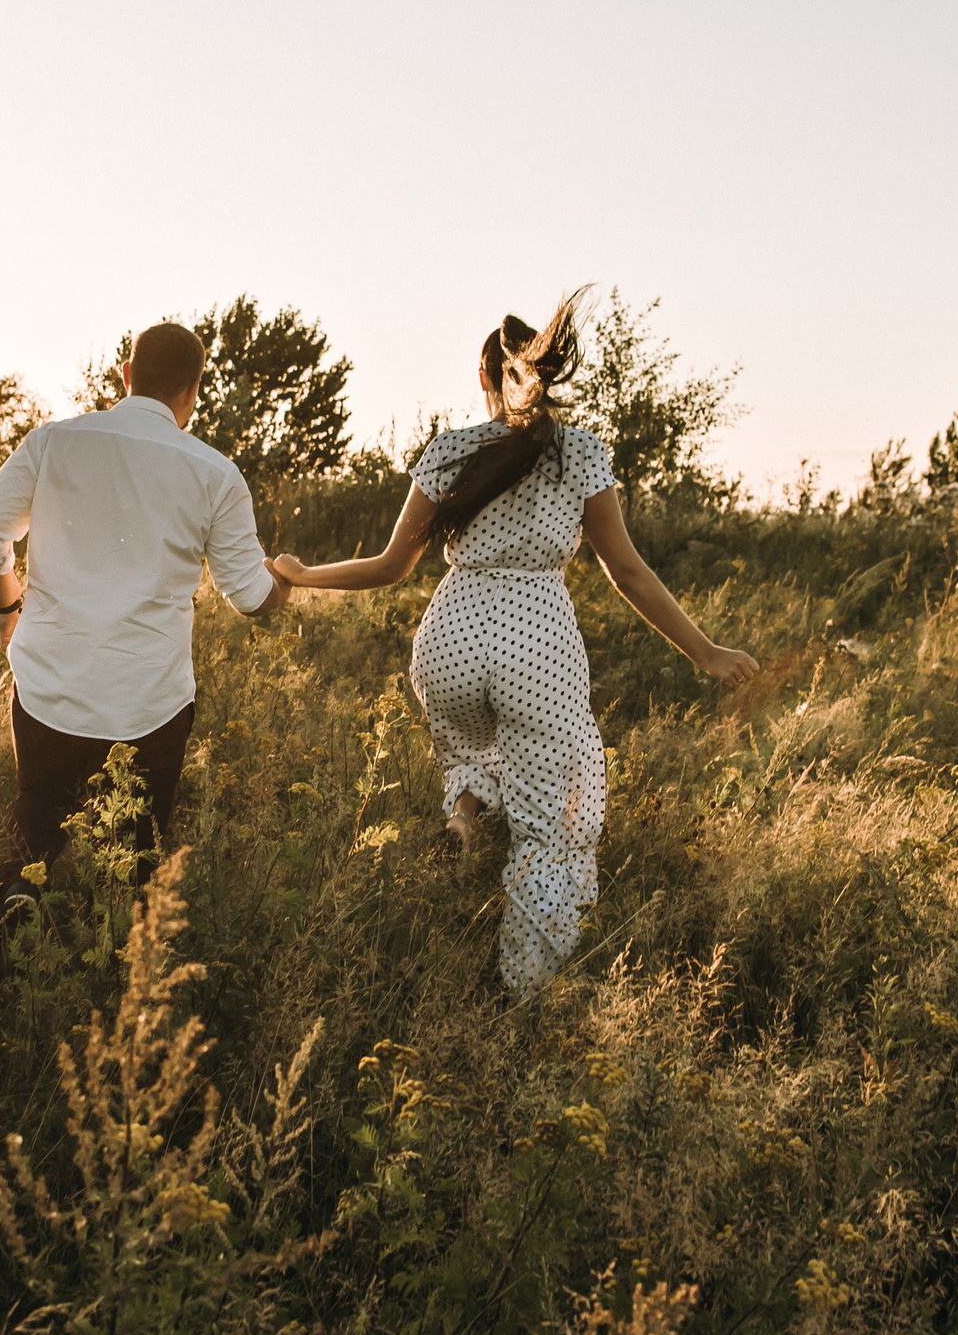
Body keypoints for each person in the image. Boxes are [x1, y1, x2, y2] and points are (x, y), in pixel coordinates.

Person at [269, 290, 758, 993]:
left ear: (484, 381)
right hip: (536, 636)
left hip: (453, 632)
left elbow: (387, 566)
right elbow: (626, 571)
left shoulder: (450, 449)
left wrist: (301, 573)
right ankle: (528, 991)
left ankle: (463, 815)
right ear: (544, 377)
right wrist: (704, 650)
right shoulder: (580, 452)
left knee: (470, 744)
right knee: (553, 820)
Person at [0, 320, 290, 914]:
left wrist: (11, 605)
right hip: (149, 702)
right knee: (140, 858)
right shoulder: (216, 474)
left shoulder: (52, 442)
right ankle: (131, 963)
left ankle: (16, 909)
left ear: (126, 376)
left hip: (49, 687)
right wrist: (283, 583)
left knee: (35, 827)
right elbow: (249, 596)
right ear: (193, 391)